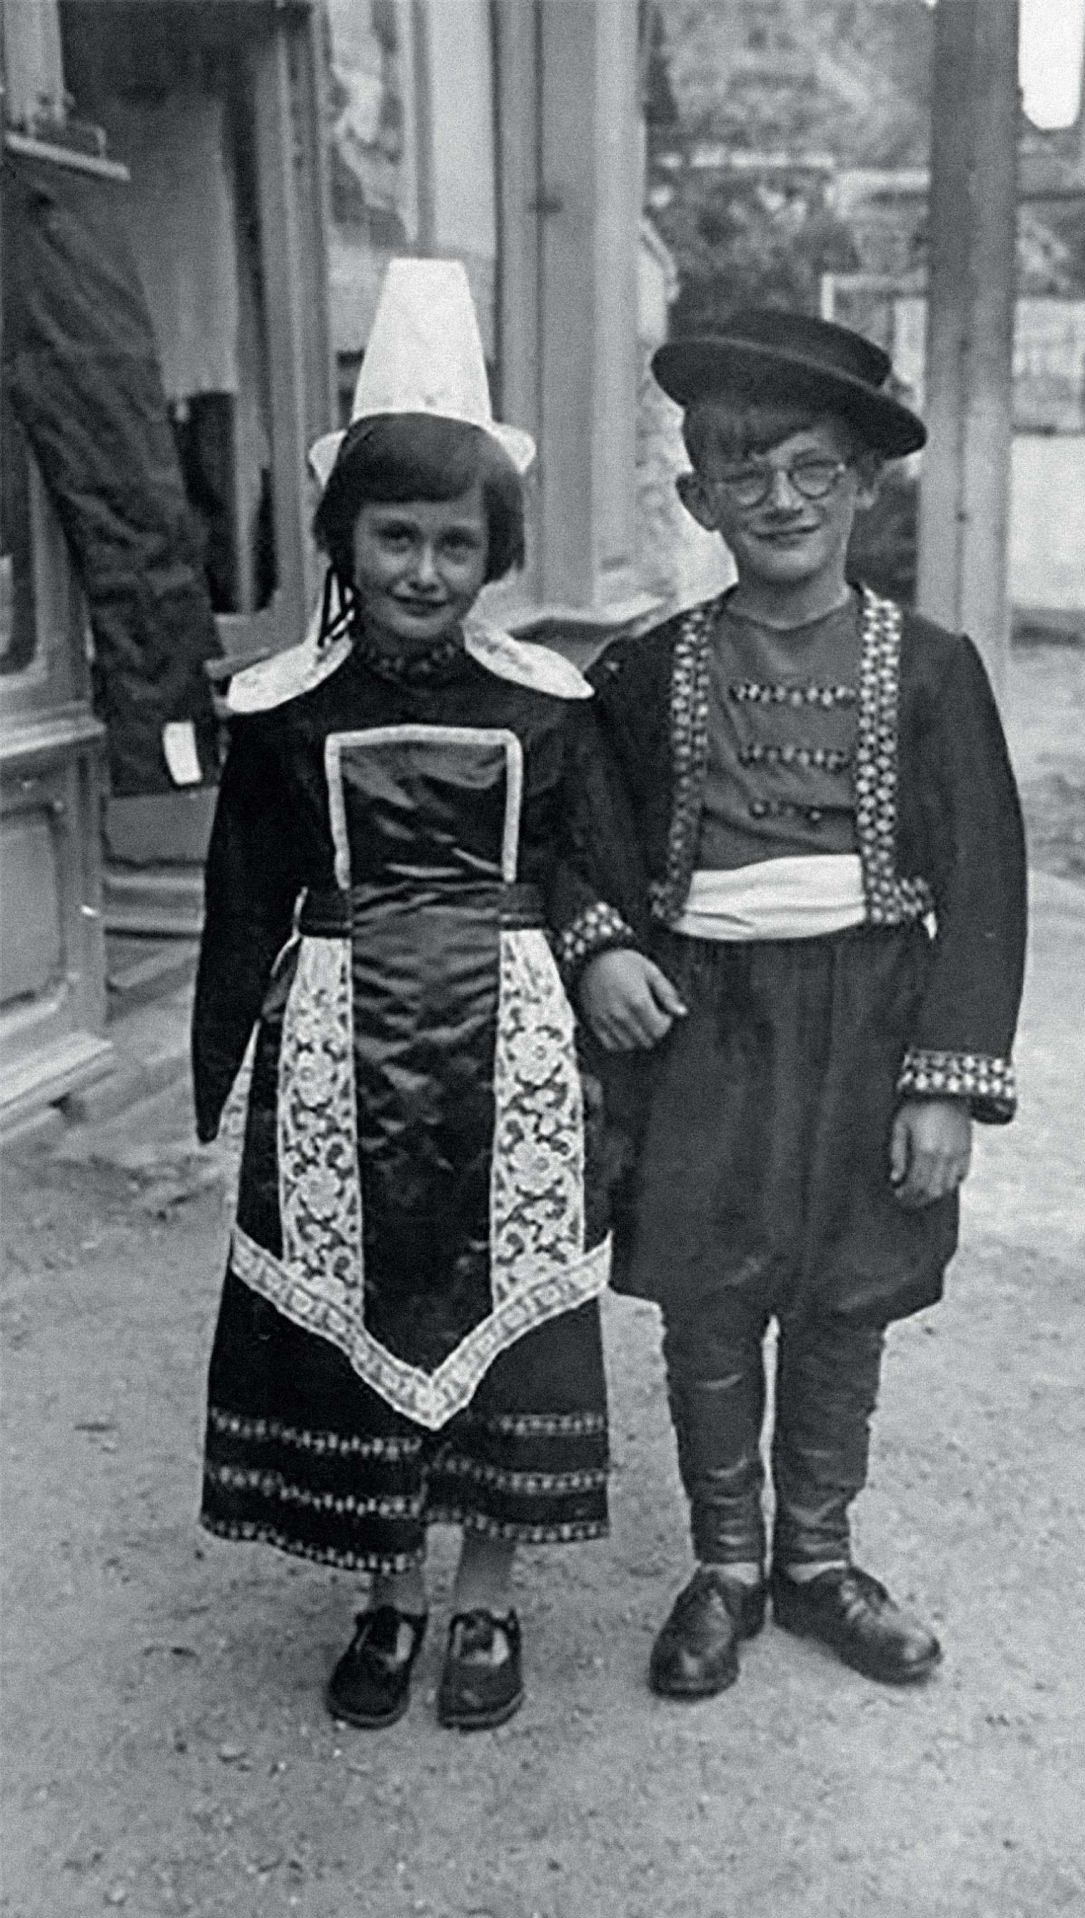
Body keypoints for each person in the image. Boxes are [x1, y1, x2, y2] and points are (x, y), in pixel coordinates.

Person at [192, 263, 644, 1732]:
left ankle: (489, 1591)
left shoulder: (547, 704)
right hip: (340, 1046)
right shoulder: (284, 712)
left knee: (508, 1311)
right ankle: (389, 1591)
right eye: (396, 537)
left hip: (514, 1053)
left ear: (494, 551)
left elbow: (589, 868)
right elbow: (244, 893)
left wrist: (603, 967)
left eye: (456, 542)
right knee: (358, 1310)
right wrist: (223, 1060)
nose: (425, 571)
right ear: (344, 538)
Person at [580, 309, 1027, 1700]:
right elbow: (579, 838)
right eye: (742, 471)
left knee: (844, 1294)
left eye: (812, 468)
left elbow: (986, 883)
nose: (779, 500)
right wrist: (601, 953)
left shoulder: (933, 670)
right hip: (704, 1025)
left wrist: (946, 1082)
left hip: (870, 1017)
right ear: (695, 497)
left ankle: (817, 1558)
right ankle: (724, 1563)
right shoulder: (641, 672)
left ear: (865, 485)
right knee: (709, 1299)